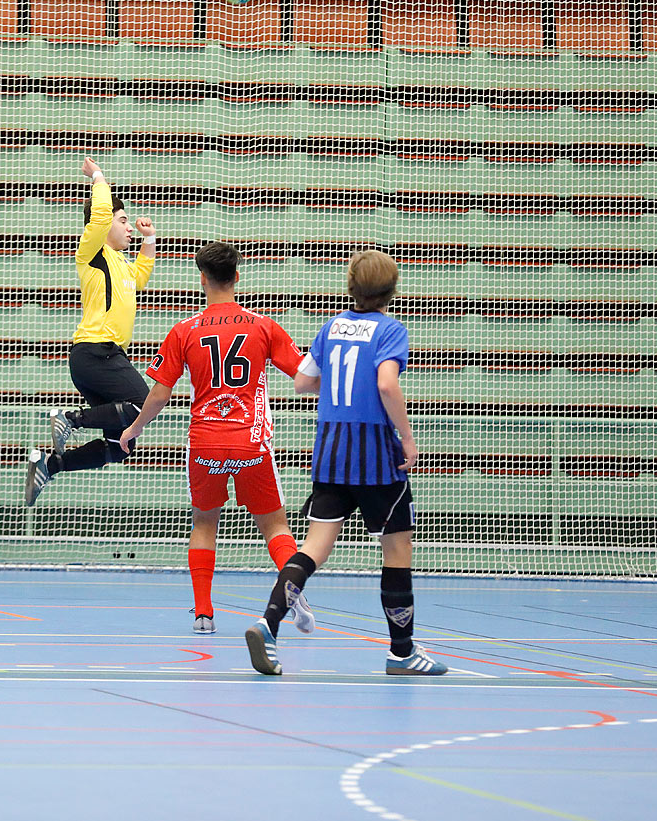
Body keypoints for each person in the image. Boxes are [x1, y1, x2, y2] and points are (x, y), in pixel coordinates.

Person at [245, 249, 447, 677]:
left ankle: (269, 623)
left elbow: (302, 383)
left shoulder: (331, 326)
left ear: (350, 285)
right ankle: (402, 652)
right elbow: (387, 384)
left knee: (314, 547)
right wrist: (407, 439)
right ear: (392, 290)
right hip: (374, 454)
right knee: (396, 549)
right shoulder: (391, 330)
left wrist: (340, 387)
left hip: (331, 451)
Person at [118, 241, 315, 636]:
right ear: (237, 277)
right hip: (251, 442)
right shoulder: (264, 326)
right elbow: (303, 377)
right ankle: (292, 595)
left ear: (203, 280)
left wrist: (134, 428)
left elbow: (159, 393)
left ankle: (204, 615)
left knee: (204, 523)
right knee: (275, 527)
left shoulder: (185, 330)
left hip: (205, 441)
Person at [24, 157, 156, 507]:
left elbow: (140, 276)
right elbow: (100, 214)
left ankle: (52, 464)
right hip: (96, 353)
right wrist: (98, 176)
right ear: (104, 226)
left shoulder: (121, 265)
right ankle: (69, 418)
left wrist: (149, 240)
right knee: (142, 405)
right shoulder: (93, 252)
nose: (128, 227)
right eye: (124, 220)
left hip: (104, 357)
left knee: (121, 446)